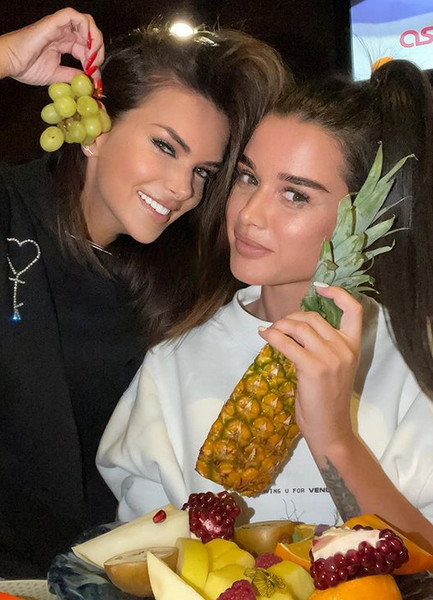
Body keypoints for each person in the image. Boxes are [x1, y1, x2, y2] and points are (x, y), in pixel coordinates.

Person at [97, 60, 433, 552]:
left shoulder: (414, 358)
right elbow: (140, 559)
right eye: (247, 177)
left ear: (364, 215)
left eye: (295, 194)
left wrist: (335, 440)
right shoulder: (174, 361)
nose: (249, 214)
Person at [0, 8, 288, 576]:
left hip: (102, 576)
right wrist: (5, 55)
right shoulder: (9, 208)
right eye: (165, 146)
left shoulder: (184, 280)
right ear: (93, 128)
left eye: (204, 172)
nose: (183, 189)